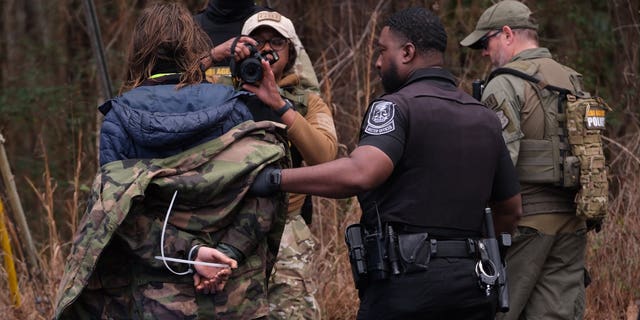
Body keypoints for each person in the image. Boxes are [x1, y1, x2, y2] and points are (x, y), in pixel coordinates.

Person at [246, 7, 522, 319]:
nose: (377, 62)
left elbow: (360, 173)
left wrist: (275, 179)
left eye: (381, 51)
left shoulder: (395, 107)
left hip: (406, 287)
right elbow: (511, 209)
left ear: (407, 52)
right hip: (474, 285)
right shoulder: (484, 117)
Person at [54, 2, 291, 319]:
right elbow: (265, 192)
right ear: (196, 48)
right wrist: (225, 253)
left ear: (139, 52)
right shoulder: (235, 111)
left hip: (157, 300)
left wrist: (191, 254)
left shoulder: (120, 122)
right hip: (236, 293)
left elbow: (117, 214)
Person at [460, 1, 591, 319]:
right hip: (573, 222)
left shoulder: (504, 83)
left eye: (485, 42)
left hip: (524, 224)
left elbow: (497, 164)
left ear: (506, 34)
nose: (483, 53)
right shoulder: (572, 79)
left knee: (499, 309)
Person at [241, 10, 338, 319]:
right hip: (233, 226)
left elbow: (324, 156)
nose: (267, 50)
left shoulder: (306, 101)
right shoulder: (225, 96)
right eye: (258, 42)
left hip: (287, 229)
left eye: (276, 42)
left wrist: (280, 106)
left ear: (291, 51)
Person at [194, 0, 319, 91]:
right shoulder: (190, 29)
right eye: (258, 42)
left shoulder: (271, 23)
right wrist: (213, 55)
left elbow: (309, 89)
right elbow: (177, 82)